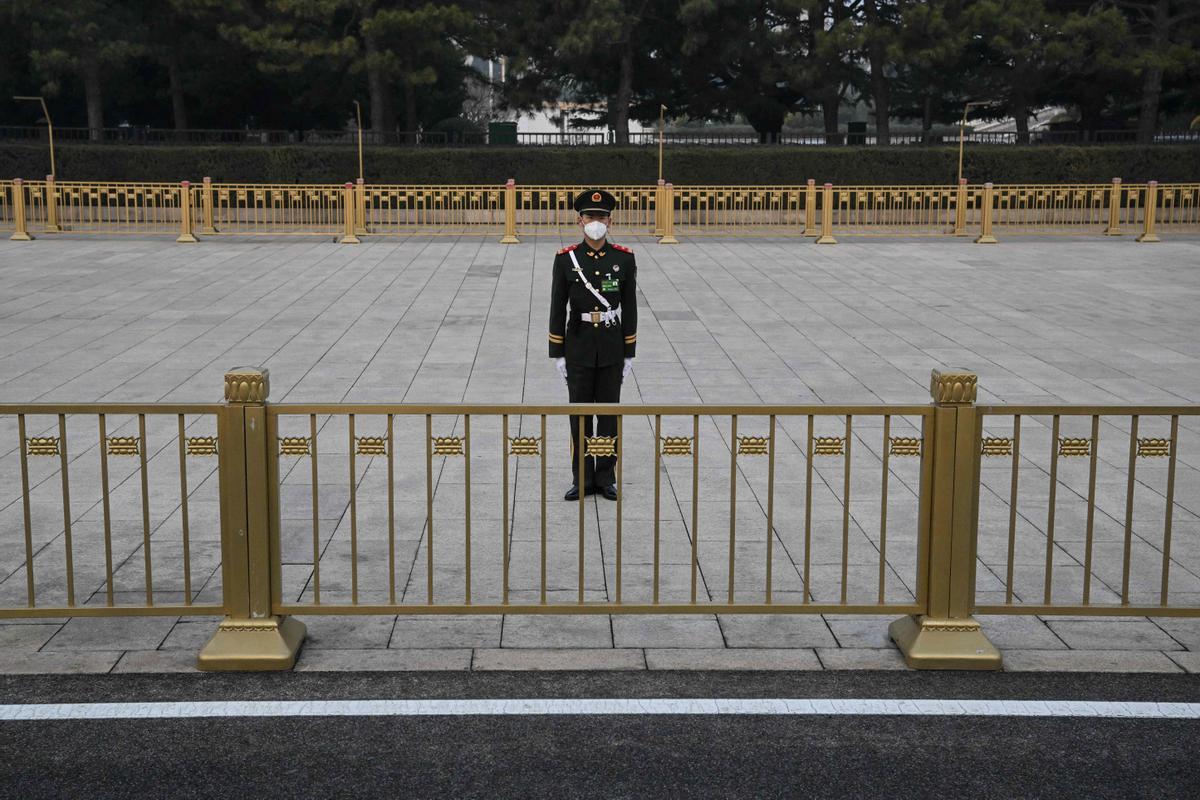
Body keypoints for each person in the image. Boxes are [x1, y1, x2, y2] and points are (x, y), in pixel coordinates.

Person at [548, 188, 637, 501]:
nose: (595, 222)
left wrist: (629, 353)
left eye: (600, 217)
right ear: (579, 220)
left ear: (610, 221)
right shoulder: (565, 260)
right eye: (590, 217)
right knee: (580, 416)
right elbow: (557, 307)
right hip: (579, 347)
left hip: (611, 347)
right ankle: (582, 478)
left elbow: (630, 307)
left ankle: (605, 476)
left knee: (609, 415)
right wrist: (557, 352)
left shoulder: (624, 259)